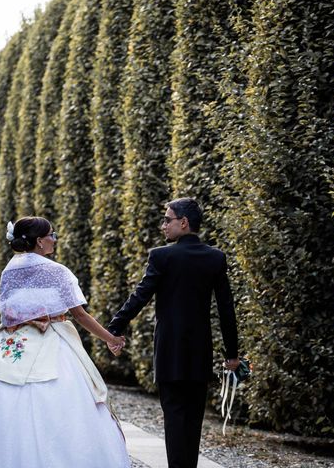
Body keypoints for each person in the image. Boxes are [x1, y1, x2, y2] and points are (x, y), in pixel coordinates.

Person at [0, 216, 130, 468]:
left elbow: (5, 313)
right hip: (52, 338)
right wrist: (111, 338)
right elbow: (79, 315)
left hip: (12, 339)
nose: (54, 239)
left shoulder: (10, 270)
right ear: (40, 242)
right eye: (52, 235)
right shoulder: (58, 271)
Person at [107, 197, 239, 468]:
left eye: (167, 219)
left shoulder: (162, 256)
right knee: (193, 422)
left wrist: (114, 329)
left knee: (174, 419)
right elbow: (227, 309)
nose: (163, 225)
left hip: (169, 351)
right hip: (200, 351)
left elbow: (139, 297)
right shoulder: (215, 258)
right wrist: (232, 354)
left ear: (184, 222)